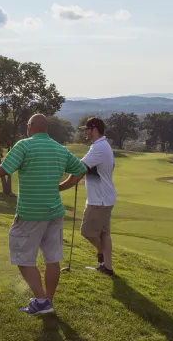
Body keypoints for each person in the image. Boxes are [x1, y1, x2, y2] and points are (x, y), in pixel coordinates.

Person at [0, 114, 87, 316]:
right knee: (52, 259)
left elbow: (3, 170)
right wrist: (60, 187)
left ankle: (41, 301)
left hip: (31, 213)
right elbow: (80, 170)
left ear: (30, 127)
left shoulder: (24, 146)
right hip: (55, 212)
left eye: (27, 126)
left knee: (23, 259)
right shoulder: (60, 149)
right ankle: (47, 300)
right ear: (46, 129)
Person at [59, 116, 116, 275]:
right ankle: (107, 267)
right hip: (105, 198)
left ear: (95, 129)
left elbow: (78, 168)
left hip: (100, 200)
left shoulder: (99, 147)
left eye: (87, 129)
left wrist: (60, 187)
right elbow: (88, 169)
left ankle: (102, 256)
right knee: (104, 234)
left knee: (87, 231)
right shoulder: (102, 145)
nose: (85, 132)